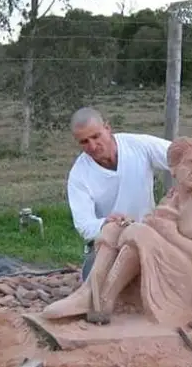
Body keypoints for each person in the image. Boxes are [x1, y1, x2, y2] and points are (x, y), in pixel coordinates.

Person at [42, 136, 192, 326]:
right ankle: (90, 293)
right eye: (189, 163)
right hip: (170, 268)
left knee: (139, 234)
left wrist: (170, 235)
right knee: (114, 227)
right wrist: (133, 224)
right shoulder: (170, 200)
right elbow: (154, 236)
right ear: (172, 168)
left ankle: (103, 298)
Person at [66, 107, 172, 280]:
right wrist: (104, 223)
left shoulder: (138, 145)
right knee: (94, 282)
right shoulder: (79, 175)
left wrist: (183, 185)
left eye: (96, 136)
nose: (92, 146)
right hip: (112, 242)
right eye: (84, 142)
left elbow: (178, 154)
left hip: (150, 233)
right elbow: (84, 225)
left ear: (107, 128)